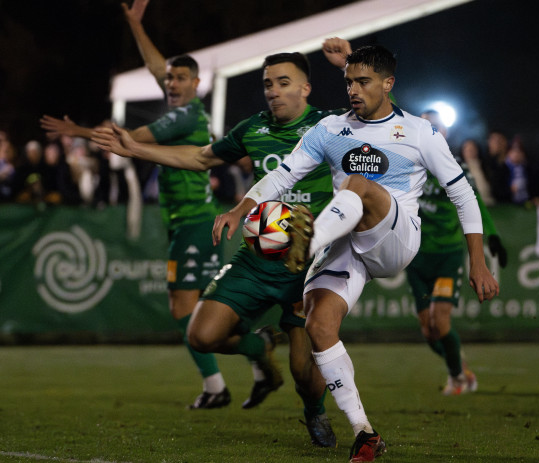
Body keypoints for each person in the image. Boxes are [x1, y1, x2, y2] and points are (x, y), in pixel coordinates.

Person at [203, 44, 499, 462]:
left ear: (387, 84)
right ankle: (364, 432)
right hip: (348, 242)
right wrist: (242, 206)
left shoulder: (419, 131)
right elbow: (284, 174)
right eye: (348, 82)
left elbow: (462, 193)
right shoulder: (328, 130)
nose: (354, 90)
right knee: (319, 324)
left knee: (357, 183)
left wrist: (478, 260)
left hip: (397, 238)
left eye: (363, 82)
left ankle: (305, 244)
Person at [92, 48, 349, 447]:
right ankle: (259, 346)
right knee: (201, 334)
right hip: (258, 257)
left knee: (304, 372)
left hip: (309, 262)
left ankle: (315, 413)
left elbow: (383, 128)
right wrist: (135, 149)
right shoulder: (252, 129)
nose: (273, 91)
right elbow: (200, 157)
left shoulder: (330, 127)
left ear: (305, 87)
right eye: (267, 84)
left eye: (283, 83)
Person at [41, 0, 227, 410]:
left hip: (196, 221)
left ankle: (226, 375)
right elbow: (157, 68)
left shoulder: (183, 117)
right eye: (170, 79)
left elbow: (129, 140)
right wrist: (135, 25)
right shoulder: (181, 105)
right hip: (184, 222)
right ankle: (238, 364)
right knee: (193, 309)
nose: (171, 83)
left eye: (180, 79)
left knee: (185, 309)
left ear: (196, 84)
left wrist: (77, 130)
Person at [415, 112, 507, 396]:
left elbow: (474, 202)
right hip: (416, 259)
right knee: (428, 331)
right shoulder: (407, 165)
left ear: (443, 134)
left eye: (435, 128)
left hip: (448, 254)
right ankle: (460, 366)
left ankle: (458, 378)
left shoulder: (455, 167)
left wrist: (492, 235)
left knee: (440, 322)